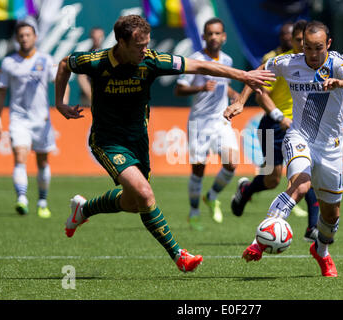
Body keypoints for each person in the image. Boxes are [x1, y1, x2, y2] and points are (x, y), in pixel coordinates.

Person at [54, 14, 275, 273]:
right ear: (121, 43)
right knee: (146, 194)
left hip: (137, 140)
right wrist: (60, 102)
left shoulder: (152, 60)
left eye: (147, 44)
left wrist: (243, 75)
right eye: (139, 46)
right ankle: (179, 255)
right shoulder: (96, 61)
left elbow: (200, 66)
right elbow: (63, 64)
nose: (145, 50)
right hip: (107, 140)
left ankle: (84, 209)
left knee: (134, 202)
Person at [224, 21, 343, 277]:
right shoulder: (288, 62)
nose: (312, 53)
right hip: (299, 137)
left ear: (328, 45)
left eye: (318, 48)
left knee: (331, 216)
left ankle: (321, 251)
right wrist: (240, 101)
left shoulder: (337, 62)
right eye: (308, 47)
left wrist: (340, 83)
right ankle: (260, 241)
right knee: (300, 185)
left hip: (330, 149)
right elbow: (256, 73)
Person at [231, 20, 320, 242]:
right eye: (298, 40)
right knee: (271, 179)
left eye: (305, 40)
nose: (302, 44)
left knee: (305, 174)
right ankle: (246, 191)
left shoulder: (316, 61)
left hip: (301, 128)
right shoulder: (281, 61)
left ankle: (312, 228)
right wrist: (279, 116)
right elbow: (260, 92)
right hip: (274, 125)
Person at [0, 21, 69, 218]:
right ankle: (22, 199)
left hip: (41, 120)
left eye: (28, 35)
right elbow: (1, 91)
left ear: (35, 37)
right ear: (17, 39)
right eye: (21, 36)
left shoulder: (45, 60)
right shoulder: (9, 63)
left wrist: (63, 103)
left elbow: (62, 79)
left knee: (43, 162)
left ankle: (42, 201)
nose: (24, 38)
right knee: (19, 156)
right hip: (19, 119)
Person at [174, 18, 240, 231]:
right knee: (198, 170)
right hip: (199, 123)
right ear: (203, 36)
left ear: (224, 36)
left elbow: (224, 83)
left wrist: (232, 93)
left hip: (221, 120)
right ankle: (194, 213)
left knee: (231, 164)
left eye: (217, 33)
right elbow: (179, 89)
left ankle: (211, 197)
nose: (213, 37)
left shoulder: (227, 61)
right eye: (209, 33)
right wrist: (201, 89)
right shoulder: (194, 60)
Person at [77, 27, 105, 106]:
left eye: (99, 37)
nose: (97, 39)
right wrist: (92, 97)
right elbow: (81, 78)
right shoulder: (86, 56)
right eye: (95, 37)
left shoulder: (107, 55)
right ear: (91, 38)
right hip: (89, 98)